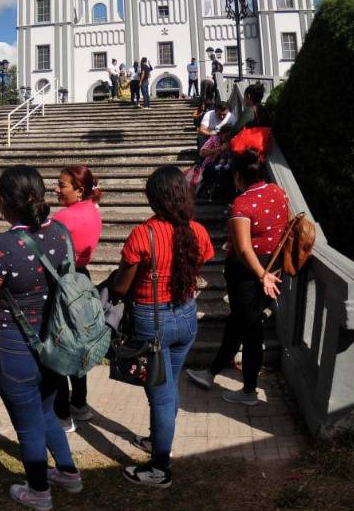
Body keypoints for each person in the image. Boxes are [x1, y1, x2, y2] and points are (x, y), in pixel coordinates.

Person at [0, 166, 81, 510]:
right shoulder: (60, 233)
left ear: (3, 202)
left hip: (13, 346)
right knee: (45, 410)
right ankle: (69, 473)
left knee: (28, 424)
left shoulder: (2, 246)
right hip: (56, 341)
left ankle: (39, 491)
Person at [112, 166, 215, 488]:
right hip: (186, 316)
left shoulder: (144, 234)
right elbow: (199, 262)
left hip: (151, 320)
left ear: (154, 198)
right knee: (167, 387)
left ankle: (159, 468)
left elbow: (120, 289)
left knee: (161, 395)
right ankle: (158, 440)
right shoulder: (197, 230)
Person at [186, 149, 288, 405]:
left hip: (248, 274)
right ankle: (211, 373)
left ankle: (249, 392)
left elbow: (243, 249)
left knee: (252, 332)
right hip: (272, 267)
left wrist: (261, 275)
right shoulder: (277, 192)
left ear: (239, 176)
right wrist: (266, 272)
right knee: (239, 323)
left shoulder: (241, 205)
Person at [50, 165, 103, 431]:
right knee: (78, 343)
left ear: (79, 190)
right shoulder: (93, 209)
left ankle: (62, 414)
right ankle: (80, 404)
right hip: (83, 278)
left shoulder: (63, 219)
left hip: (63, 281)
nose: (56, 189)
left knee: (60, 346)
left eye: (62, 185)